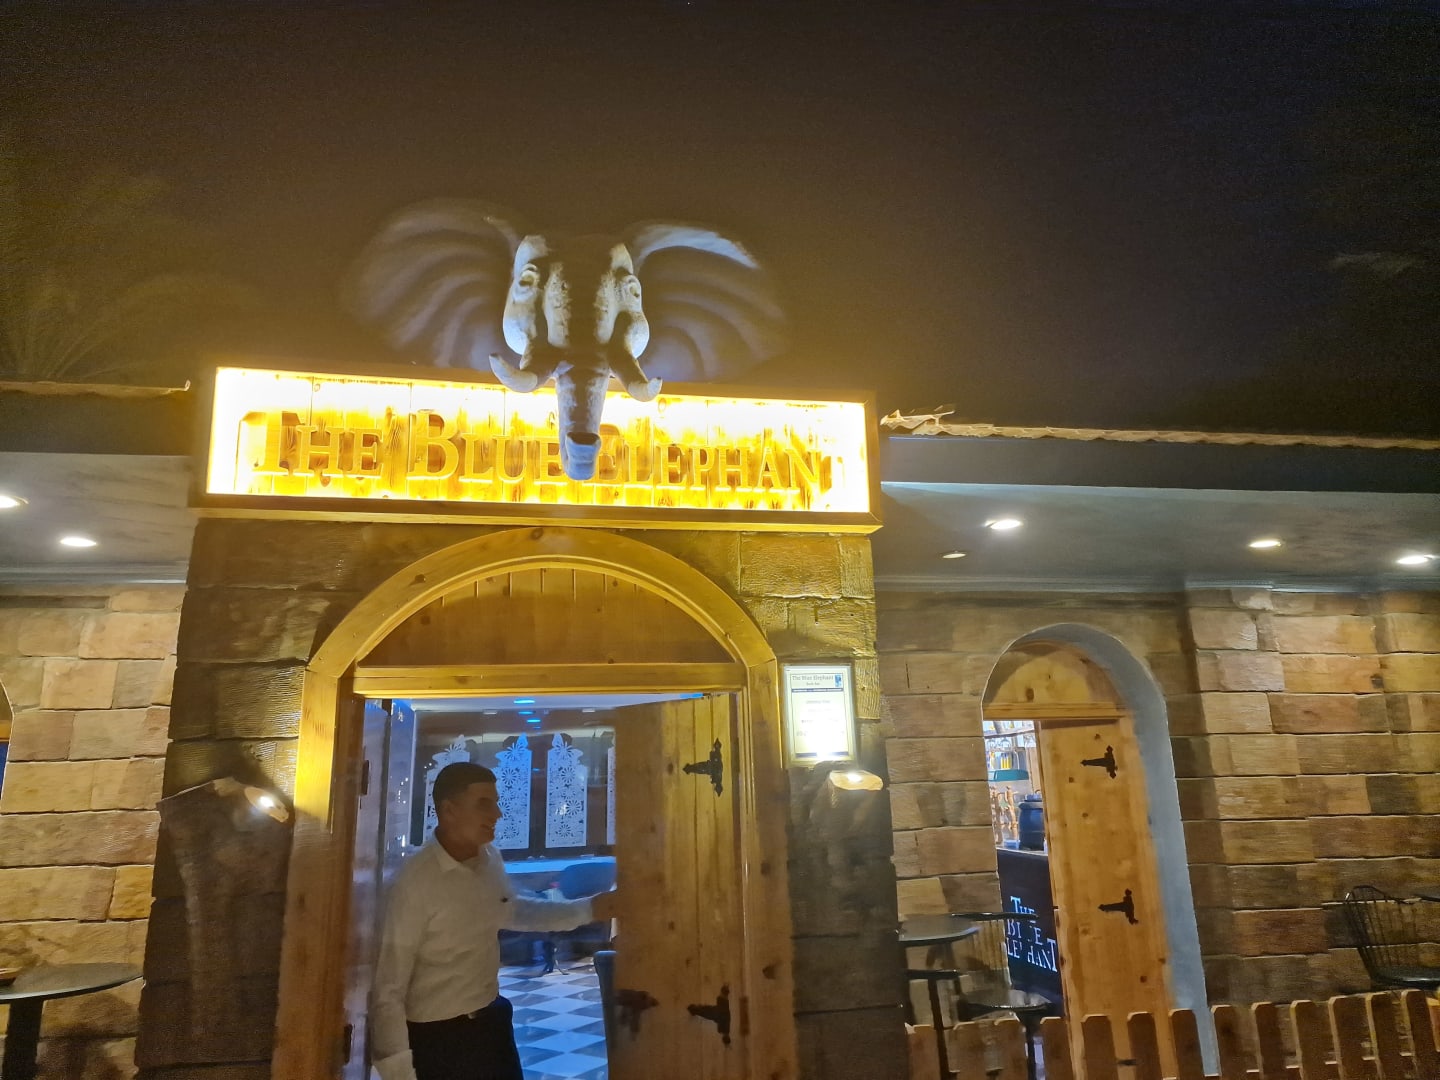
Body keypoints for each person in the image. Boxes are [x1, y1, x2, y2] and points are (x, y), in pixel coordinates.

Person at [371, 761, 620, 1080]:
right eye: (484, 804)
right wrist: (398, 1072)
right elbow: (389, 988)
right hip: (438, 1038)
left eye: (496, 802)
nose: (497, 814)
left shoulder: (489, 858)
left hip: (491, 1021)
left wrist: (591, 909)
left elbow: (513, 911)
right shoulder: (414, 882)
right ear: (449, 811)